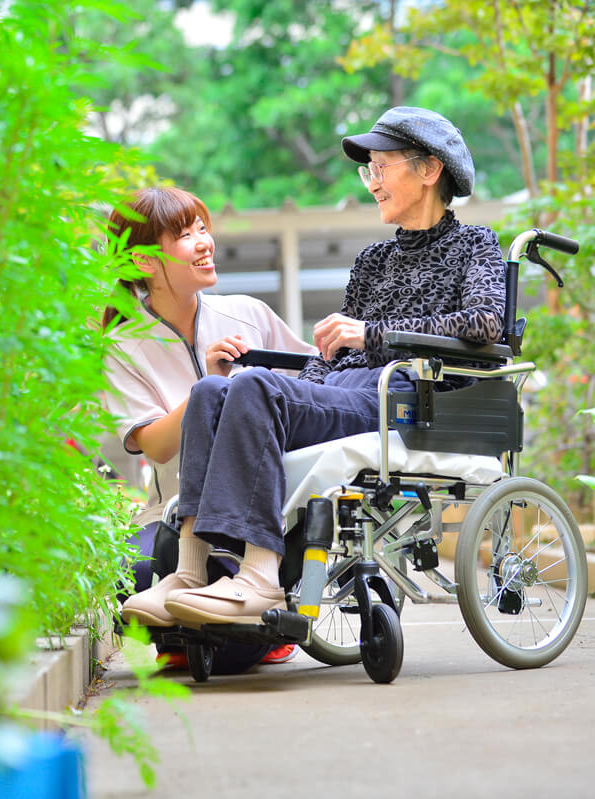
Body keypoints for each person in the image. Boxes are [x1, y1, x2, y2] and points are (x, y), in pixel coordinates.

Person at [120, 106, 506, 629]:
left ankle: (260, 574)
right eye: (367, 170)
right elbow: (335, 358)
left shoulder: (474, 244)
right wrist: (304, 380)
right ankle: (190, 572)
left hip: (413, 395)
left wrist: (371, 335)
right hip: (354, 390)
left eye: (380, 167)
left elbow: (485, 323)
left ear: (429, 170)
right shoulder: (373, 259)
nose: (371, 182)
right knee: (215, 390)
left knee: (253, 385)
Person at [102, 186, 317, 669]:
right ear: (144, 262)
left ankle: (244, 632)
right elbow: (154, 445)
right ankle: (208, 623)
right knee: (133, 575)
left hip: (262, 512)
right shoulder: (121, 345)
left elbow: (311, 380)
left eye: (203, 229)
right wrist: (212, 385)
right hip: (172, 515)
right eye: (184, 235)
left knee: (224, 640)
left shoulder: (249, 314)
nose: (204, 242)